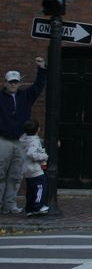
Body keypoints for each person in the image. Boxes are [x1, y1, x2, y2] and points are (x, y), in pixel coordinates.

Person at [0, 58, 46, 215]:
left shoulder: (26, 96)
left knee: (16, 175)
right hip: (3, 140)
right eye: (10, 82)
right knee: (0, 174)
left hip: (21, 141)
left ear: (19, 83)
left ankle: (9, 204)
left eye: (15, 82)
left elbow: (38, 86)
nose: (13, 84)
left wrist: (41, 69)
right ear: (5, 83)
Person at [19, 119, 47, 216]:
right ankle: (37, 207)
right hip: (35, 170)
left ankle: (29, 208)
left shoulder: (23, 139)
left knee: (30, 191)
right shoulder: (34, 140)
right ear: (37, 130)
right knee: (40, 188)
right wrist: (44, 156)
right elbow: (32, 153)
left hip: (27, 170)